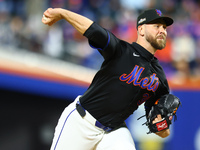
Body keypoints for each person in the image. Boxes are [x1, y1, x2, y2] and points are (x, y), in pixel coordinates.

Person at [42, 8, 174, 150]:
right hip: (82, 122)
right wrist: (62, 13)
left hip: (114, 132)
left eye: (164, 27)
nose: (162, 31)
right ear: (141, 30)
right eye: (157, 26)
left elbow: (161, 130)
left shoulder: (159, 77)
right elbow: (93, 30)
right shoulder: (122, 51)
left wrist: (161, 125)